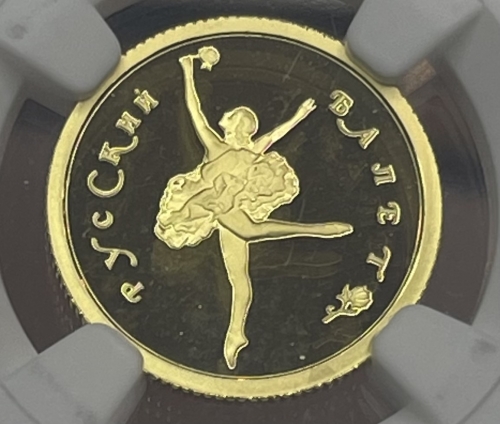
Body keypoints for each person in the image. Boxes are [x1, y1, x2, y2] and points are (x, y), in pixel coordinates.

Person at [155, 46, 354, 370]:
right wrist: (187, 71)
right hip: (206, 206)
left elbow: (274, 134)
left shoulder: (245, 152)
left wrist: (300, 116)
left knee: (239, 276)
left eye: (236, 122)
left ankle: (235, 333)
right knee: (248, 237)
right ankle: (316, 230)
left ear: (239, 128)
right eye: (236, 122)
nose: (229, 124)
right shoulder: (216, 148)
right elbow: (195, 111)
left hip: (229, 211)